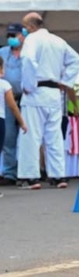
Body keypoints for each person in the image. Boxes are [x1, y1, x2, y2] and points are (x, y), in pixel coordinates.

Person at [17, 12, 79, 190]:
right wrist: (66, 81)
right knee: (54, 137)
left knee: (31, 135)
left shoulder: (32, 39)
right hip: (54, 94)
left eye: (25, 26)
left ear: (30, 27)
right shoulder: (58, 41)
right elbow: (76, 60)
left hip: (36, 92)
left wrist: (29, 85)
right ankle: (58, 175)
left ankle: (32, 177)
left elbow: (28, 59)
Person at [0, 23, 26, 186]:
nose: (11, 39)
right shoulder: (2, 52)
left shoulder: (30, 52)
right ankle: (9, 172)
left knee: (28, 136)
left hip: (27, 99)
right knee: (8, 137)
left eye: (14, 35)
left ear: (23, 35)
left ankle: (27, 171)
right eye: (9, 35)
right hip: (7, 98)